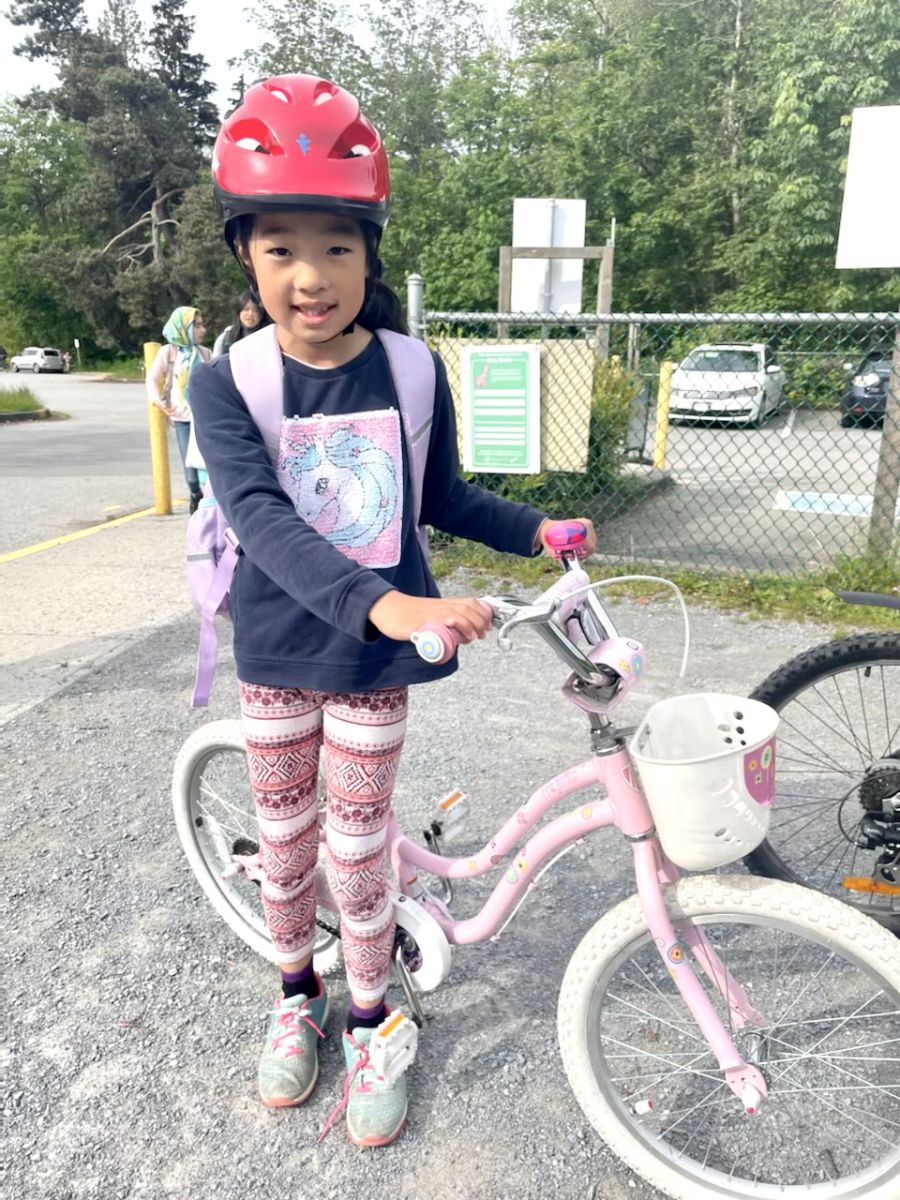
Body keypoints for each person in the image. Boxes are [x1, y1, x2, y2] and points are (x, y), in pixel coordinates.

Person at [190, 73, 597, 1148]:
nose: (309, 276)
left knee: (357, 849)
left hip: (378, 662)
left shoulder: (413, 370)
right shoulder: (227, 384)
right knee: (286, 844)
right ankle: (294, 1000)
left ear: (369, 254)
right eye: (280, 247)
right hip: (281, 645)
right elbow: (266, 526)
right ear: (247, 254)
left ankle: (371, 1016)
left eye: (335, 246)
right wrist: (392, 602)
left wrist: (534, 531)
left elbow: (444, 497)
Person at [145, 306, 211, 513]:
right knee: (190, 469)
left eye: (202, 325)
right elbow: (153, 379)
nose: (203, 330)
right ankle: (195, 494)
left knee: (209, 464)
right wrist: (159, 401)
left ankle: (209, 503)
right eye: (197, 326)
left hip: (205, 418)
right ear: (183, 329)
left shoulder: (205, 353)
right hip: (182, 419)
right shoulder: (169, 352)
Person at [211, 291, 266, 357]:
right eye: (246, 309)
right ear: (239, 311)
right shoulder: (226, 339)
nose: (250, 313)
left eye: (256, 310)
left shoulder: (269, 338)